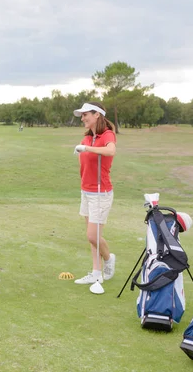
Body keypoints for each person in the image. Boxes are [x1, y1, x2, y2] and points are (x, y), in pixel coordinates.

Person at [72, 102, 117, 286]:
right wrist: (82, 148)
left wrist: (87, 149)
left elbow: (110, 150)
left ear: (97, 115)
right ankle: (96, 273)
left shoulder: (107, 134)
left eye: (85, 115)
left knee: (92, 235)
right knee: (92, 237)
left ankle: (108, 258)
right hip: (87, 191)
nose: (82, 118)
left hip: (101, 192)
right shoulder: (86, 138)